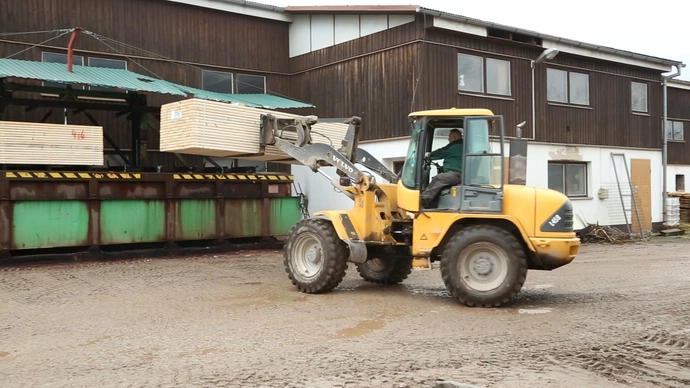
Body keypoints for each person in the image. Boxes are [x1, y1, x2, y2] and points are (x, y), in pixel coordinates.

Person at [420, 128, 463, 208]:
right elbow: (455, 160)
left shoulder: (455, 146)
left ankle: (423, 202)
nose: (448, 139)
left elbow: (442, 152)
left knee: (439, 178)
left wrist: (429, 155)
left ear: (454, 137)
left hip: (456, 174)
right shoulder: (462, 145)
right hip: (458, 173)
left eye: (449, 137)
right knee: (441, 179)